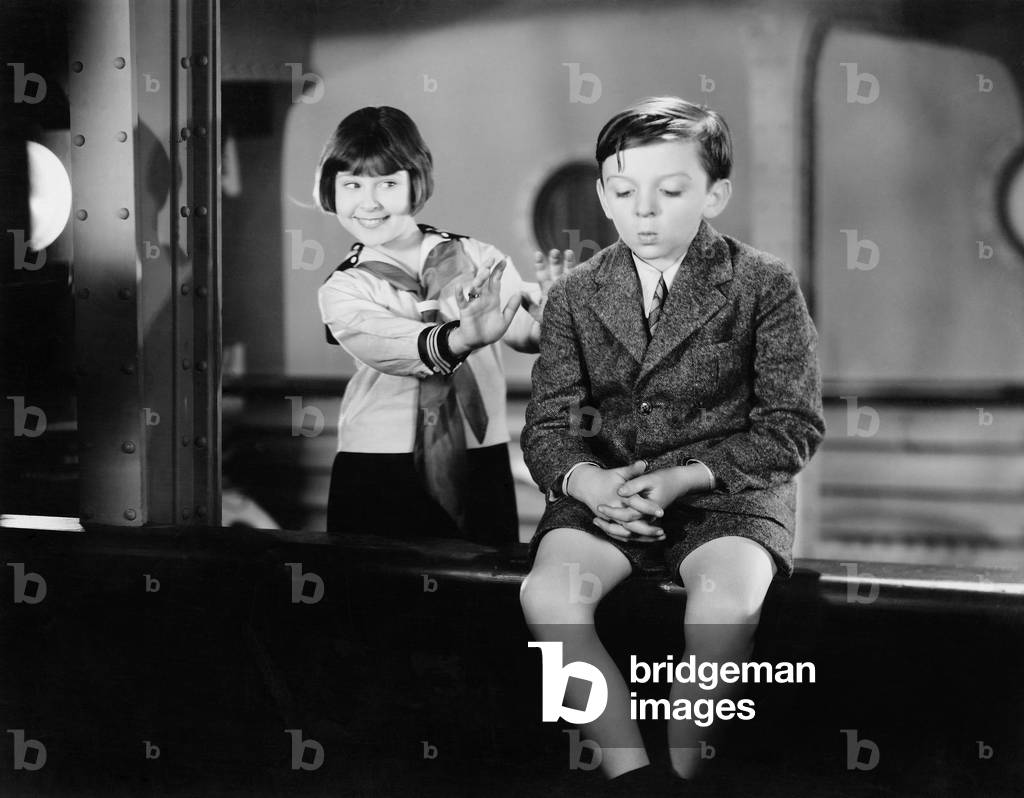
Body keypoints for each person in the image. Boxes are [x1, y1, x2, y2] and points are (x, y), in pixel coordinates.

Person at [519, 97, 825, 791]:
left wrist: (688, 475)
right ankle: (632, 776)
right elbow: (548, 427)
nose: (645, 212)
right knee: (548, 600)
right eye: (625, 192)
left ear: (715, 194)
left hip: (728, 500)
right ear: (604, 195)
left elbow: (792, 426)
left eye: (671, 191)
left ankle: (687, 774)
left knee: (723, 609)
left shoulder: (765, 283)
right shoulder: (574, 294)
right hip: (606, 499)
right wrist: (589, 483)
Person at [315, 105, 573, 545]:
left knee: (483, 582)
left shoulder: (478, 257)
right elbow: (394, 348)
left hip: (479, 455)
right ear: (331, 191)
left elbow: (520, 331)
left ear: (416, 183)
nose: (369, 202)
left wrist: (554, 318)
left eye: (388, 184)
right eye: (352, 184)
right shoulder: (343, 288)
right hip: (378, 463)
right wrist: (463, 337)